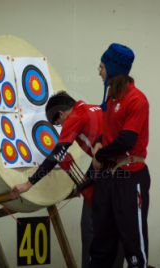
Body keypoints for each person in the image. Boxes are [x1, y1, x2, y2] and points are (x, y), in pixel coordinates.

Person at [12, 91, 124, 268]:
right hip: (121, 171)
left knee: (90, 226)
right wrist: (88, 177)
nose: (60, 126)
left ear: (62, 114)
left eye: (58, 123)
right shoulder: (92, 108)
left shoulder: (75, 117)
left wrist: (29, 183)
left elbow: (57, 155)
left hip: (108, 173)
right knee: (116, 226)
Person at [90, 43, 151, 268]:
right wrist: (97, 143)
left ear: (114, 69)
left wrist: (100, 156)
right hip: (109, 178)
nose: (99, 71)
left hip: (130, 177)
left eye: (102, 66)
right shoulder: (111, 99)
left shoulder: (137, 99)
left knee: (133, 243)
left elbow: (127, 139)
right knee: (102, 243)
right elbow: (106, 133)